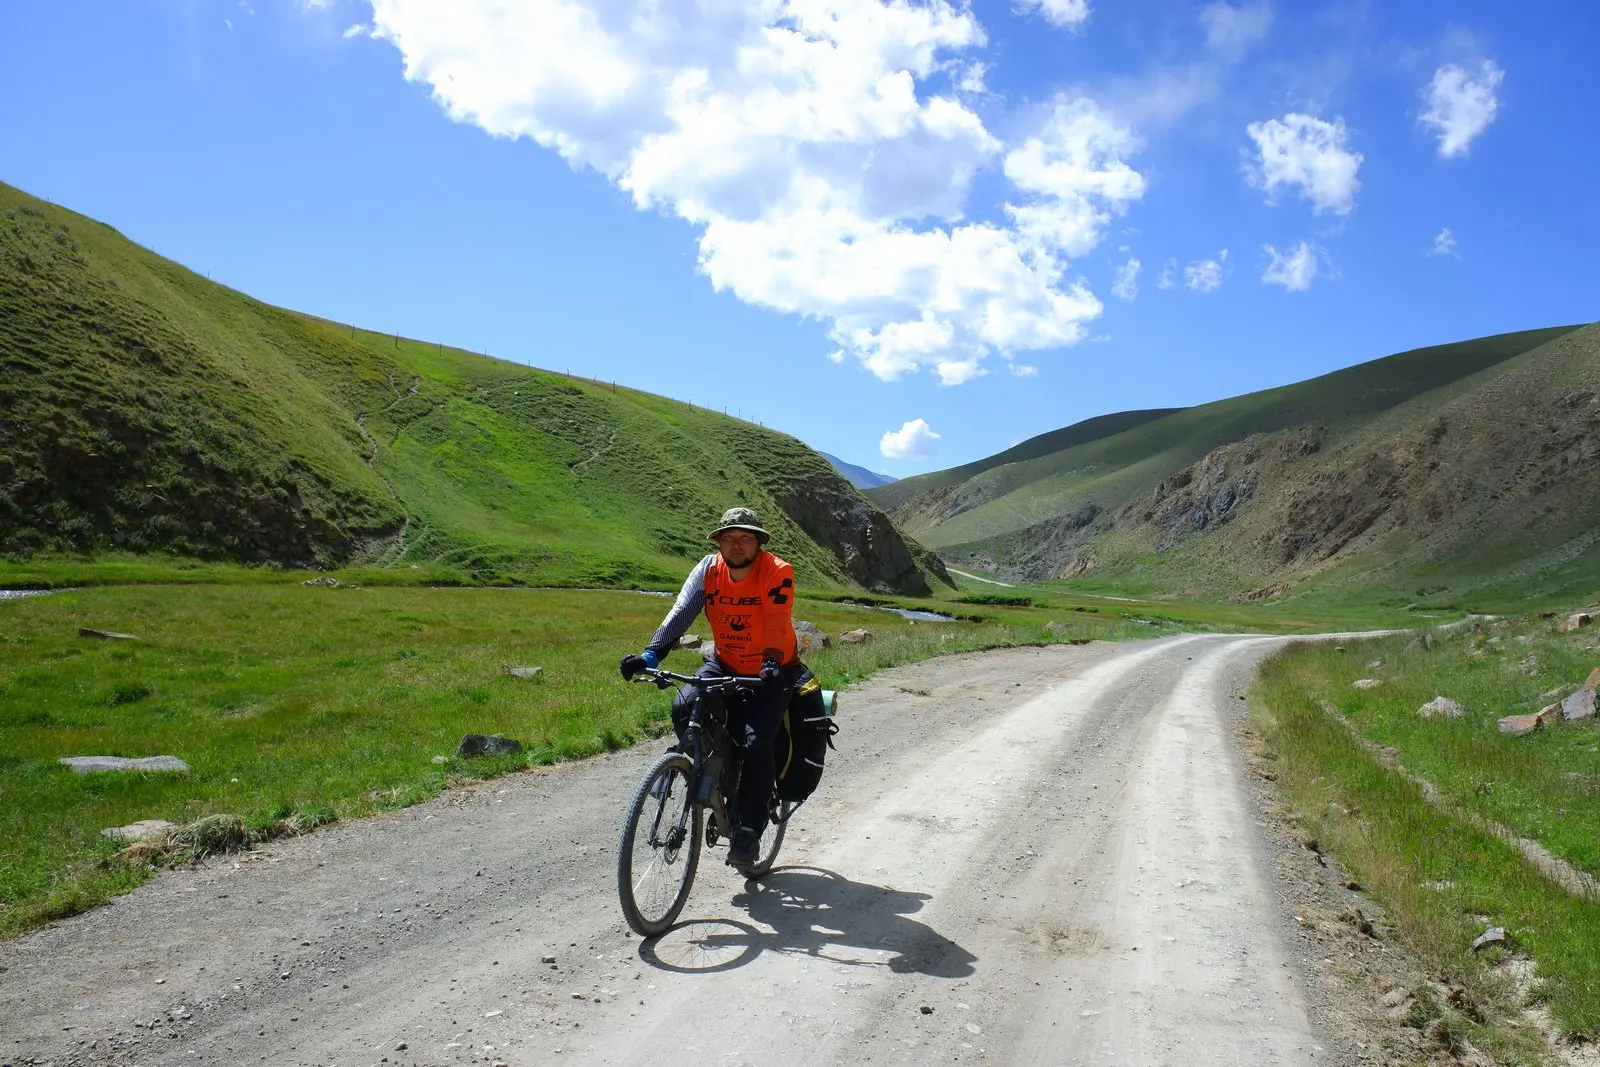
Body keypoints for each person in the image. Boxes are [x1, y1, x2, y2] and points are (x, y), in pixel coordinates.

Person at [620, 506, 803, 869]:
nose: (736, 544)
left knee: (757, 743)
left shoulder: (777, 571)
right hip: (726, 661)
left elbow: (775, 618)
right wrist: (651, 654)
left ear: (759, 543)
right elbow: (682, 611)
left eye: (745, 537)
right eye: (729, 537)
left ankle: (749, 830)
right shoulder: (708, 569)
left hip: (774, 669)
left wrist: (769, 660)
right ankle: (715, 772)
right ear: (719, 541)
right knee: (683, 707)